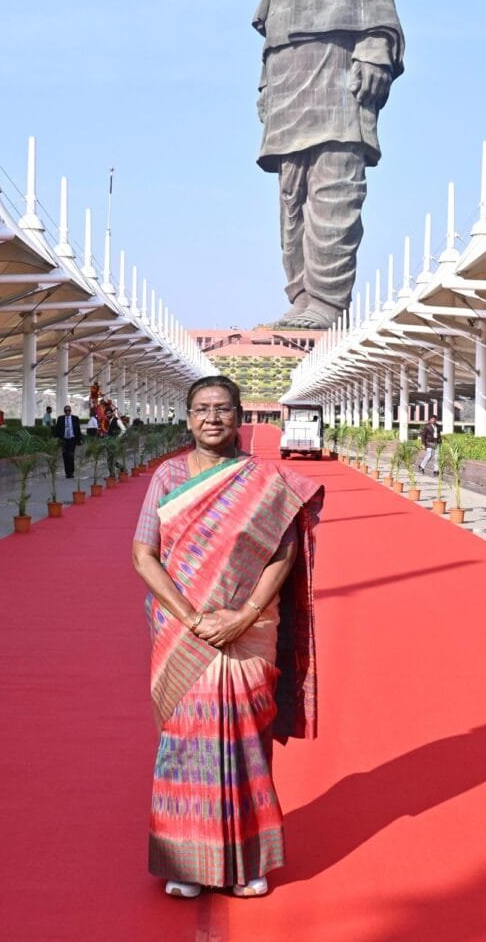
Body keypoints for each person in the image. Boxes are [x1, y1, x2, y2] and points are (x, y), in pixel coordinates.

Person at [132, 375, 323, 899]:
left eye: (222, 408)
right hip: (183, 629)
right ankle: (186, 862)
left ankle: (248, 862)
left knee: (246, 739)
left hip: (248, 630)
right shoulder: (168, 476)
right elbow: (143, 555)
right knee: (186, 739)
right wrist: (191, 617)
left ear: (239, 415)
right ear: (188, 417)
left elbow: (283, 553)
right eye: (201, 408)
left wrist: (245, 614)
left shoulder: (263, 480)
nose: (212, 417)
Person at [254, 0, 404, 329]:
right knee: (292, 189)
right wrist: (266, 82)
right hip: (289, 70)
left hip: (334, 61)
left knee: (335, 181)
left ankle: (326, 300)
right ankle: (301, 294)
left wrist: (374, 46)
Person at [53, 404, 82, 478]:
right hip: (64, 440)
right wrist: (57, 439)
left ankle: (71, 472)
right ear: (64, 411)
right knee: (65, 456)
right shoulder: (60, 418)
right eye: (66, 410)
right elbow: (57, 429)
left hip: (72, 439)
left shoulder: (75, 418)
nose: (67, 412)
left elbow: (78, 430)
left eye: (68, 410)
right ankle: (67, 473)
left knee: (71, 456)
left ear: (70, 411)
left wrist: (79, 440)